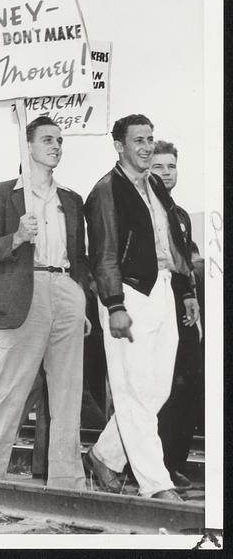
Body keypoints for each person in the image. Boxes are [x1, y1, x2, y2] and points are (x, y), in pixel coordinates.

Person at [0, 116, 90, 491]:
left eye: (59, 140)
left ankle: (66, 483)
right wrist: (18, 236)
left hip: (65, 287)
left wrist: (81, 298)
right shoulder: (2, 193)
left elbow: (81, 256)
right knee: (8, 387)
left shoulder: (71, 199)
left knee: (68, 391)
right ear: (28, 146)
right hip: (26, 289)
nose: (56, 146)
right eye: (48, 140)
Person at [84, 115, 199, 501]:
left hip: (162, 288)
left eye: (150, 139)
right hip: (130, 294)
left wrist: (187, 290)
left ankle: (104, 455)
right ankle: (156, 483)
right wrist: (114, 304)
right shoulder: (105, 190)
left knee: (155, 391)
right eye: (139, 141)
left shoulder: (154, 185)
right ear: (119, 145)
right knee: (133, 391)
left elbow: (176, 242)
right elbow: (103, 254)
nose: (147, 147)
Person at [152, 140, 204, 489]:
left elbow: (188, 264)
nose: (166, 173)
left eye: (171, 167)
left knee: (187, 385)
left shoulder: (181, 215)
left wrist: (190, 297)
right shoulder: (145, 211)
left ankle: (174, 463)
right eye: (159, 167)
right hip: (153, 309)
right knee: (158, 388)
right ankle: (153, 466)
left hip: (182, 311)